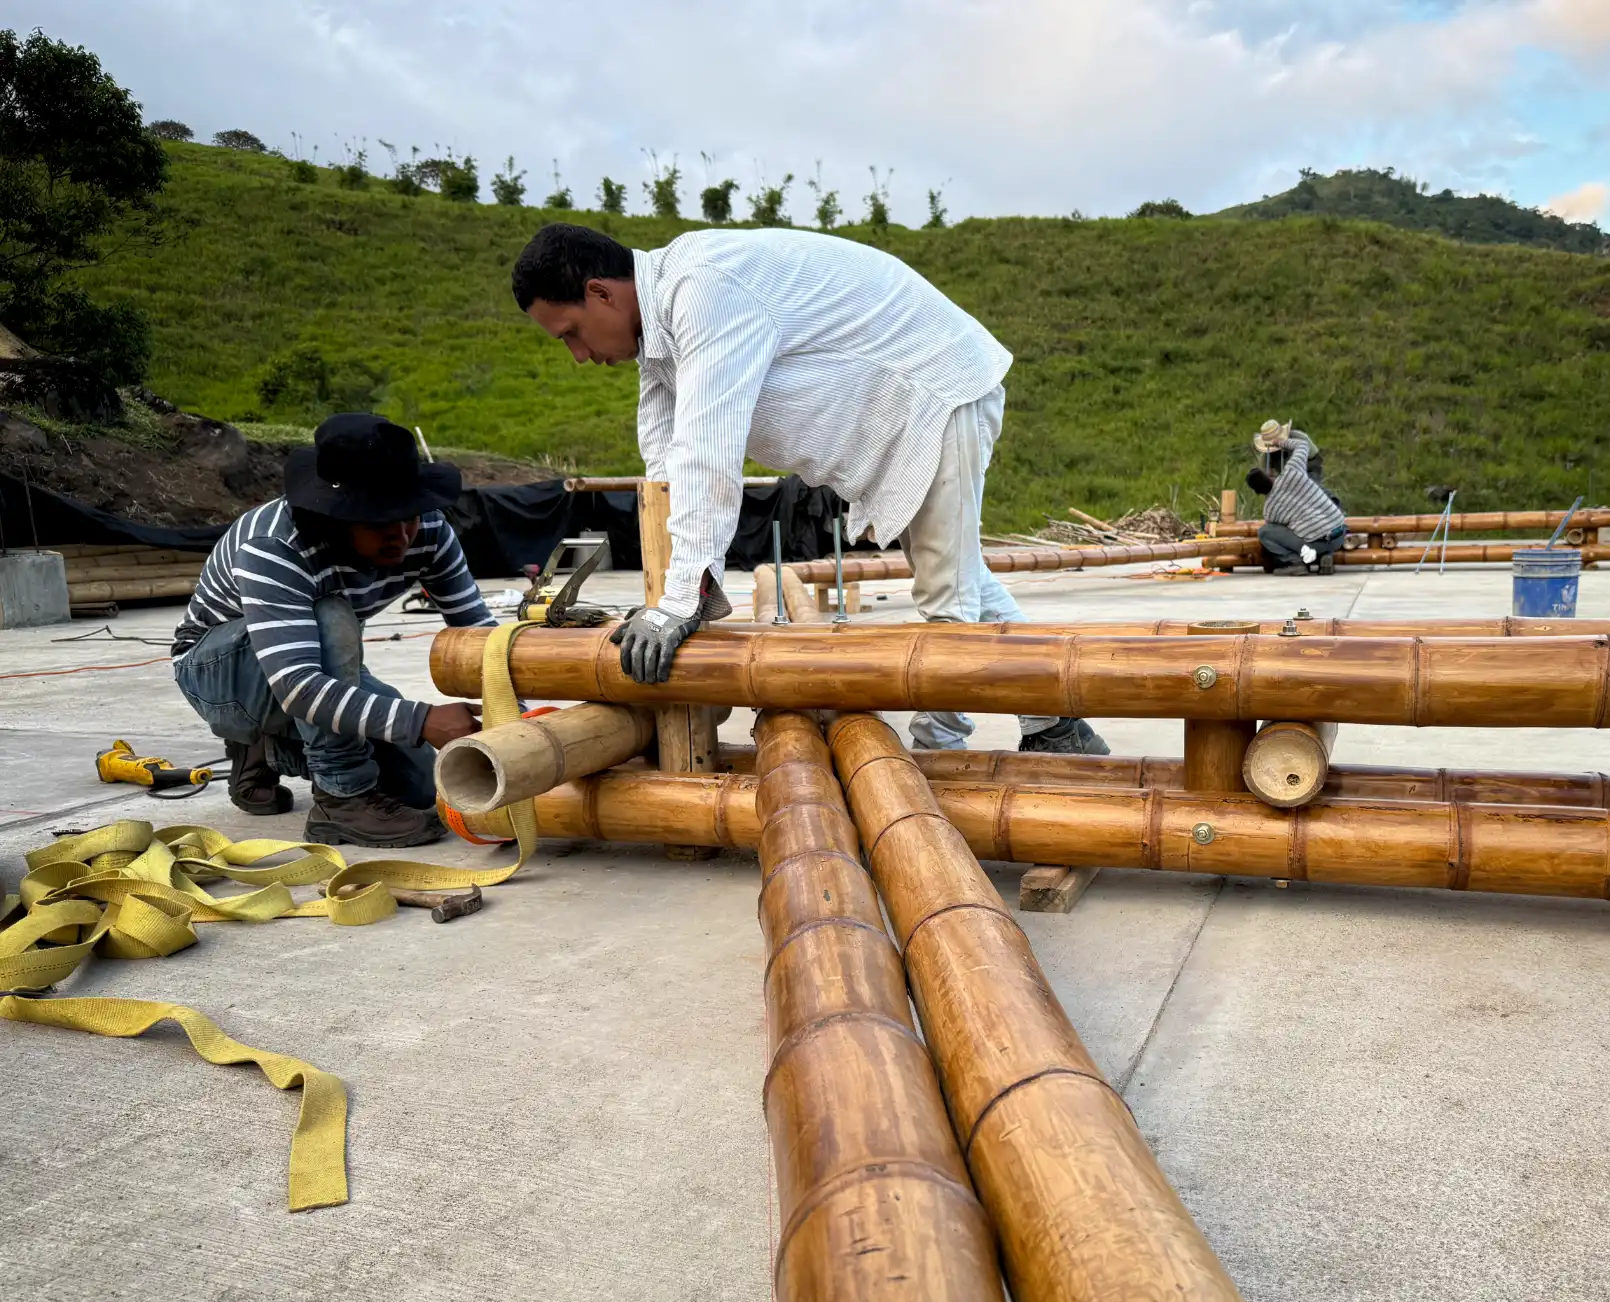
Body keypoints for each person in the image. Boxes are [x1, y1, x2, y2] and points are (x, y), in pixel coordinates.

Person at [510, 222, 1109, 755]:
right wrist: (673, 595)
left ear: (602, 293)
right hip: (913, 403)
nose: (580, 356)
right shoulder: (662, 330)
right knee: (960, 579)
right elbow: (664, 464)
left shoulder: (705, 289)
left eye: (571, 333)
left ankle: (934, 760)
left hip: (936, 386)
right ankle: (1057, 724)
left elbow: (707, 450)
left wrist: (681, 599)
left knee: (947, 603)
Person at [170, 413, 493, 847]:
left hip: (303, 661)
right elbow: (299, 685)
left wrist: (515, 720)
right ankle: (341, 800)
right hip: (220, 674)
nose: (401, 535)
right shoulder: (277, 545)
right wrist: (422, 720)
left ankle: (268, 748)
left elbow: (478, 634)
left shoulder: (429, 530)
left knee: (417, 786)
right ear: (339, 515)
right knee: (333, 615)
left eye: (409, 516)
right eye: (380, 522)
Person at [1248, 419, 1347, 575]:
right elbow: (1299, 450)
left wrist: (1281, 442)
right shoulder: (1292, 468)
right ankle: (1325, 554)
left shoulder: (1270, 510)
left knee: (1319, 495)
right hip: (1338, 534)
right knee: (1306, 506)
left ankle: (1297, 561)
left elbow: (1311, 455)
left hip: (1308, 468)